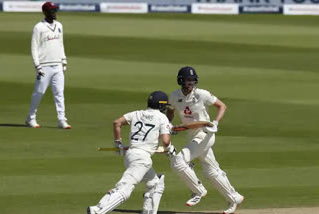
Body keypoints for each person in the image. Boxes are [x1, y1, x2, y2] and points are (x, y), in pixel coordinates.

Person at [167, 66, 244, 214]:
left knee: (179, 161)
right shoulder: (174, 96)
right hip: (191, 134)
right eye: (188, 80)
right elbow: (170, 112)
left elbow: (222, 106)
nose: (191, 83)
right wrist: (169, 124)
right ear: (180, 80)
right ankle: (234, 197)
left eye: (193, 80)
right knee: (211, 171)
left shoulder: (202, 94)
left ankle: (198, 190)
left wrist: (215, 122)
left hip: (205, 133)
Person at [87, 91, 176, 214]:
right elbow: (166, 142)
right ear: (161, 106)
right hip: (142, 160)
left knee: (155, 184)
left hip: (131, 155)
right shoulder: (162, 118)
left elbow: (117, 122)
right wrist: (170, 148)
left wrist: (118, 143)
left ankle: (148, 212)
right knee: (124, 189)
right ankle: (97, 210)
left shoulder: (137, 113)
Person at [25, 2, 70, 129]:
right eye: (52, 10)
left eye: (55, 10)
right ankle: (30, 118)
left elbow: (61, 44)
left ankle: (62, 119)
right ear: (45, 12)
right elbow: (34, 48)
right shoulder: (38, 27)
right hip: (44, 66)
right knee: (39, 92)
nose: (55, 12)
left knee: (59, 93)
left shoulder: (59, 25)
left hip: (57, 65)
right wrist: (37, 66)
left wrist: (64, 60)